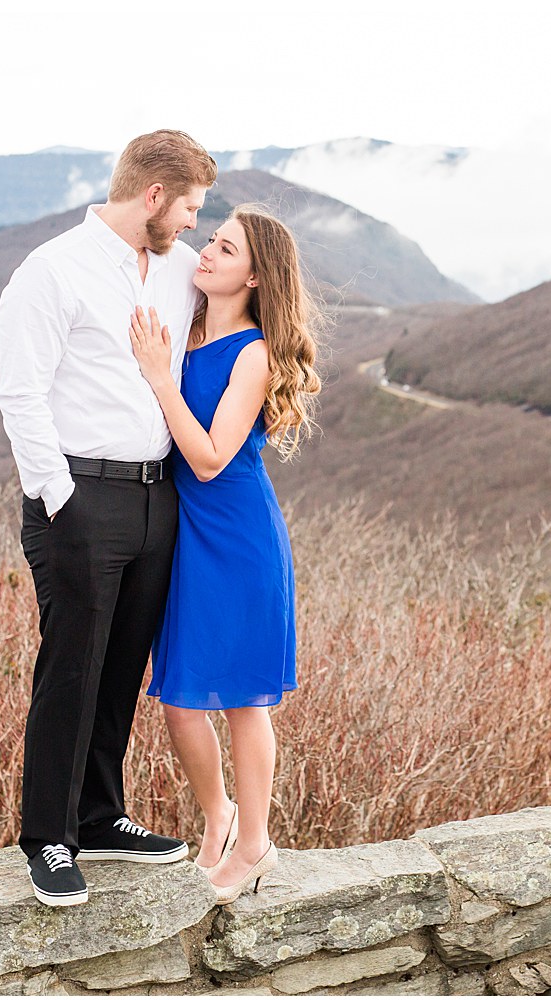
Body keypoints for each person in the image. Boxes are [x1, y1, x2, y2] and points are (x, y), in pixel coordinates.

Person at [0, 130, 219, 906]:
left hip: (161, 496)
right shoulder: (51, 272)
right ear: (153, 197)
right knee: (72, 670)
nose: (193, 223)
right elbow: (18, 395)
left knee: (122, 666)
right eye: (189, 207)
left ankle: (97, 816)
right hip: (80, 497)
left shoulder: (184, 269)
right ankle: (48, 838)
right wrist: (60, 500)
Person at [127, 203, 322, 904]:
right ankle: (218, 816)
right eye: (210, 239)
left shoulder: (255, 353)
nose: (206, 251)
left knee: (242, 701)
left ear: (257, 276)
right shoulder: (187, 320)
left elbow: (209, 459)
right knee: (178, 699)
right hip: (184, 537)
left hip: (236, 536)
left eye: (226, 248)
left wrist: (159, 378)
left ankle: (255, 844)